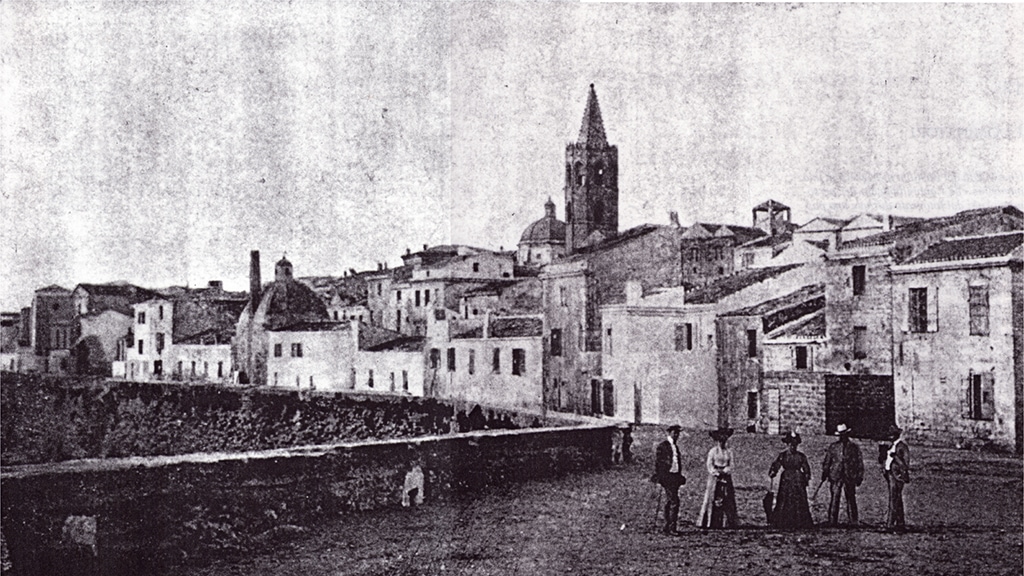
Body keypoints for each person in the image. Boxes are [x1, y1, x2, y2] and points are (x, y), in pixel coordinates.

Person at [768, 431, 814, 529]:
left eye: (794, 444)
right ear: (787, 444)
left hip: (798, 480)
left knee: (799, 500)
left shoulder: (801, 456)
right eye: (790, 444)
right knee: (784, 499)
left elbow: (806, 468)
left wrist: (806, 477)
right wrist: (773, 471)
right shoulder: (783, 455)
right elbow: (776, 465)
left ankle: (800, 521)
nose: (792, 446)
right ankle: (783, 521)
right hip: (786, 480)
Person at [822, 423, 864, 527]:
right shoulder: (833, 447)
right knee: (835, 498)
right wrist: (825, 472)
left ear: (847, 434)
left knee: (850, 498)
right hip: (836, 475)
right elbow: (828, 461)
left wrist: (859, 476)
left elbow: (859, 463)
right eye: (840, 435)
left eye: (844, 434)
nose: (842, 437)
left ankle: (853, 521)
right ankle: (832, 521)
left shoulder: (854, 447)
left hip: (849, 475)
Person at [697, 427, 738, 529]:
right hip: (715, 477)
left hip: (726, 476)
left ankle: (727, 522)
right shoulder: (713, 451)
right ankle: (710, 522)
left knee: (727, 497)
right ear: (717, 440)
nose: (722, 442)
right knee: (713, 497)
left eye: (724, 440)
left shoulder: (729, 452)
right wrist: (716, 472)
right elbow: (709, 465)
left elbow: (731, 464)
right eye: (720, 440)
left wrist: (725, 471)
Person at [652, 424, 687, 535]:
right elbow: (659, 463)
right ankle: (672, 528)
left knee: (670, 501)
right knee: (674, 502)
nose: (676, 435)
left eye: (678, 433)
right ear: (669, 433)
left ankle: (667, 526)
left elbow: (677, 462)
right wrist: (660, 477)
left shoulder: (675, 447)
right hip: (667, 477)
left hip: (675, 476)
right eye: (674, 433)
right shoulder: (663, 446)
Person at [882, 424, 910, 531]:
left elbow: (905, 465)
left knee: (893, 499)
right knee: (897, 499)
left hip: (898, 476)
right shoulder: (892, 446)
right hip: (890, 475)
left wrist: (896, 457)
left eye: (892, 435)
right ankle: (900, 522)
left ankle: (890, 523)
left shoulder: (902, 447)